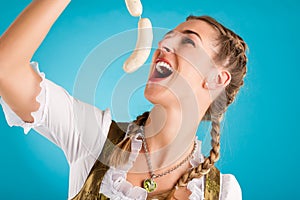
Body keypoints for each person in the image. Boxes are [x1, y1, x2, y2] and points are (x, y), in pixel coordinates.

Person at [0, 0, 247, 199]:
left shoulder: (221, 192)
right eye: (168, 37)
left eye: (188, 42)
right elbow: (5, 68)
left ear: (216, 80)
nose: (163, 44)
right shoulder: (95, 138)